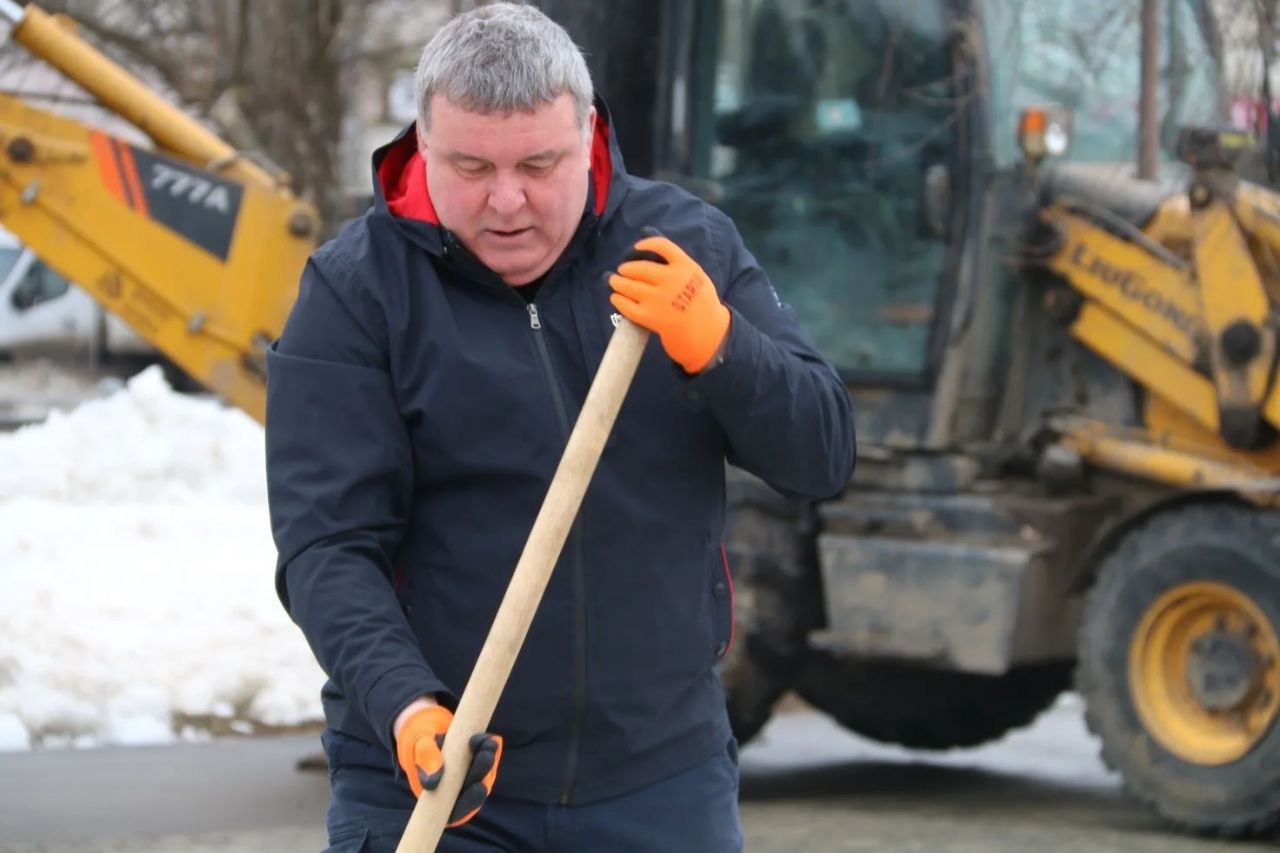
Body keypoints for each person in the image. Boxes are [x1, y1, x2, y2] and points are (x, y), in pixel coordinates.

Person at [265, 4, 855, 851]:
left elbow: (822, 454)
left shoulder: (683, 246)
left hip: (658, 779)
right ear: (424, 145)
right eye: (471, 166)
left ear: (587, 138)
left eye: (539, 165)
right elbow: (328, 544)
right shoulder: (357, 293)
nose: (507, 202)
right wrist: (405, 703)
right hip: (440, 778)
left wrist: (722, 346)